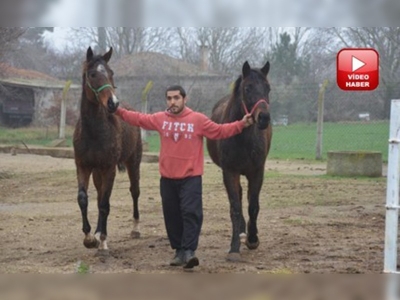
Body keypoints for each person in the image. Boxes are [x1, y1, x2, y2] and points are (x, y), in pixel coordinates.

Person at [115, 85, 254, 269]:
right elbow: (138, 118)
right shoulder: (160, 119)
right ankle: (179, 251)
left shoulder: (197, 119)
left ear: (184, 99)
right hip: (167, 179)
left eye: (176, 98)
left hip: (191, 178)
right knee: (172, 216)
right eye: (169, 98)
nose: (172, 102)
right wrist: (116, 110)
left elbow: (220, 131)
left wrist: (241, 124)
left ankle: (189, 251)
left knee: (191, 213)